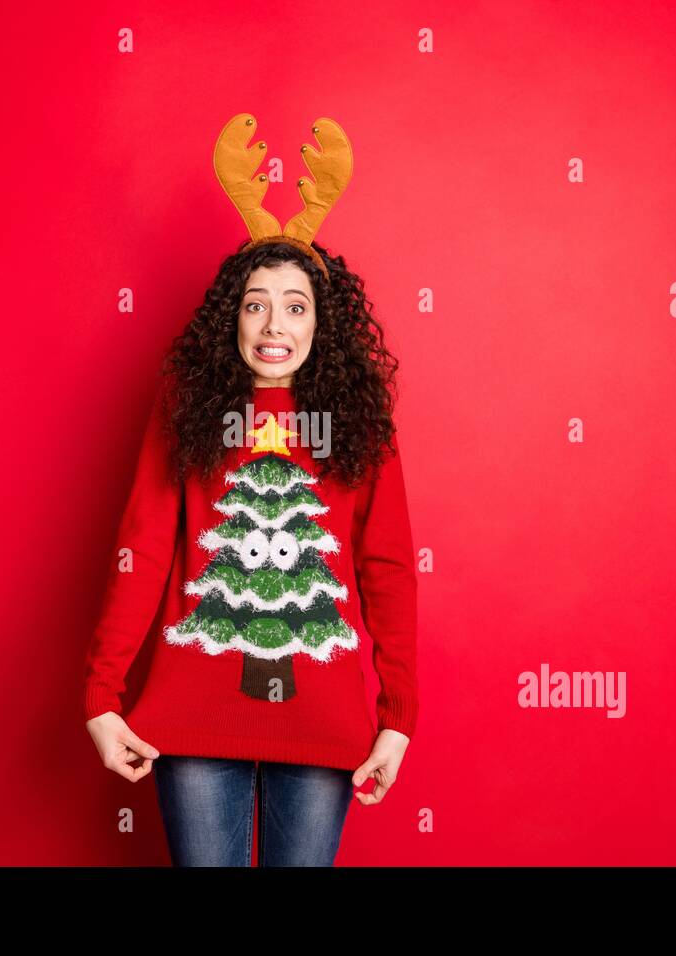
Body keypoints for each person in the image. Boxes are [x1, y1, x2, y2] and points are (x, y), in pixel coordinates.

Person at [82, 114, 419, 866]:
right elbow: (142, 545)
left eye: (296, 306)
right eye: (255, 303)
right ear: (229, 317)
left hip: (322, 722)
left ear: (321, 324)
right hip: (192, 719)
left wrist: (398, 716)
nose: (275, 324)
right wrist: (101, 697)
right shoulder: (187, 407)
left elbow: (388, 565)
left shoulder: (359, 421)